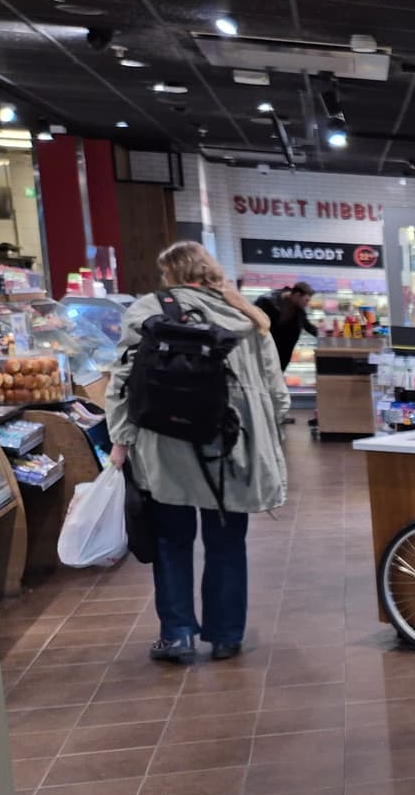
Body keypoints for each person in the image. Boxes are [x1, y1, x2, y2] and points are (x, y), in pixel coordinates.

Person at [109, 242, 289, 664]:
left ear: (170, 274)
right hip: (230, 444)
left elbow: (123, 379)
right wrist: (271, 435)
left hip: (165, 442)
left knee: (171, 540)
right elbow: (276, 389)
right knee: (227, 541)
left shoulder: (147, 309)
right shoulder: (246, 315)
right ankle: (226, 636)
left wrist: (121, 439)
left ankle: (177, 635)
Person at [252, 281, 314, 374]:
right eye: (306, 300)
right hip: (263, 348)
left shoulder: (299, 310)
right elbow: (254, 321)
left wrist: (324, 335)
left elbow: (308, 326)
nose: (307, 304)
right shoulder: (267, 301)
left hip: (282, 355)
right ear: (297, 295)